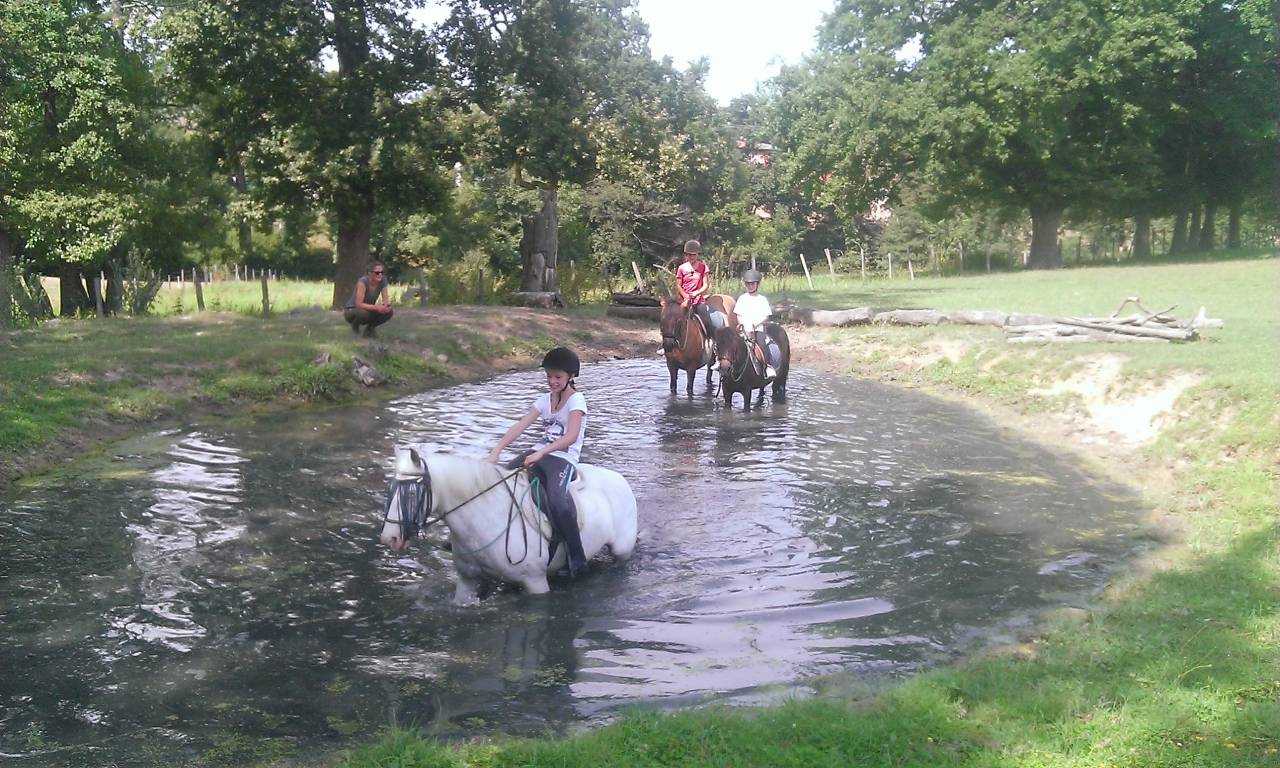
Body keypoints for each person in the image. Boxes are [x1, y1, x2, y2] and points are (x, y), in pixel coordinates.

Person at [487, 347, 589, 578]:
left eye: (557, 377)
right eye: (549, 376)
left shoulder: (577, 401)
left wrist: (542, 453)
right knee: (496, 482)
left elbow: (571, 437)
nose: (552, 381)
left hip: (563, 458)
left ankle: (577, 557)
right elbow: (520, 426)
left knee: (558, 502)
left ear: (570, 377)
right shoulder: (544, 400)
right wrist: (498, 449)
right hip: (539, 452)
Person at [734, 268, 777, 379]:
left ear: (757, 284)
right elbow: (738, 314)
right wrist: (743, 325)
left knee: (762, 344)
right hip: (744, 328)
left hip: (758, 328)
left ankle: (767, 366)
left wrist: (754, 325)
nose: (750, 286)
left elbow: (766, 316)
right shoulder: (742, 299)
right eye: (748, 284)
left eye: (752, 284)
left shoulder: (762, 299)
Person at [675, 239, 714, 336]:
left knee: (707, 319)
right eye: (689, 255)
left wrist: (696, 293)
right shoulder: (681, 268)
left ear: (698, 255)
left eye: (694, 255)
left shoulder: (703, 267)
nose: (691, 257)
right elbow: (678, 285)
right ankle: (667, 345)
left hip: (698, 300)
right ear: (686, 255)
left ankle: (711, 340)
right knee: (672, 319)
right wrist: (685, 296)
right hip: (684, 299)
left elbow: (705, 285)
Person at [343, 261, 393, 338]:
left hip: (369, 309)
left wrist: (385, 307)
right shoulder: (363, 282)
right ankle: (355, 325)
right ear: (370, 273)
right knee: (363, 313)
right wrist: (376, 307)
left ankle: (370, 329)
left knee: (389, 312)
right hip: (352, 309)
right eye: (377, 272)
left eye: (382, 272)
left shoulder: (383, 281)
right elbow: (359, 304)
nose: (380, 275)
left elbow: (385, 299)